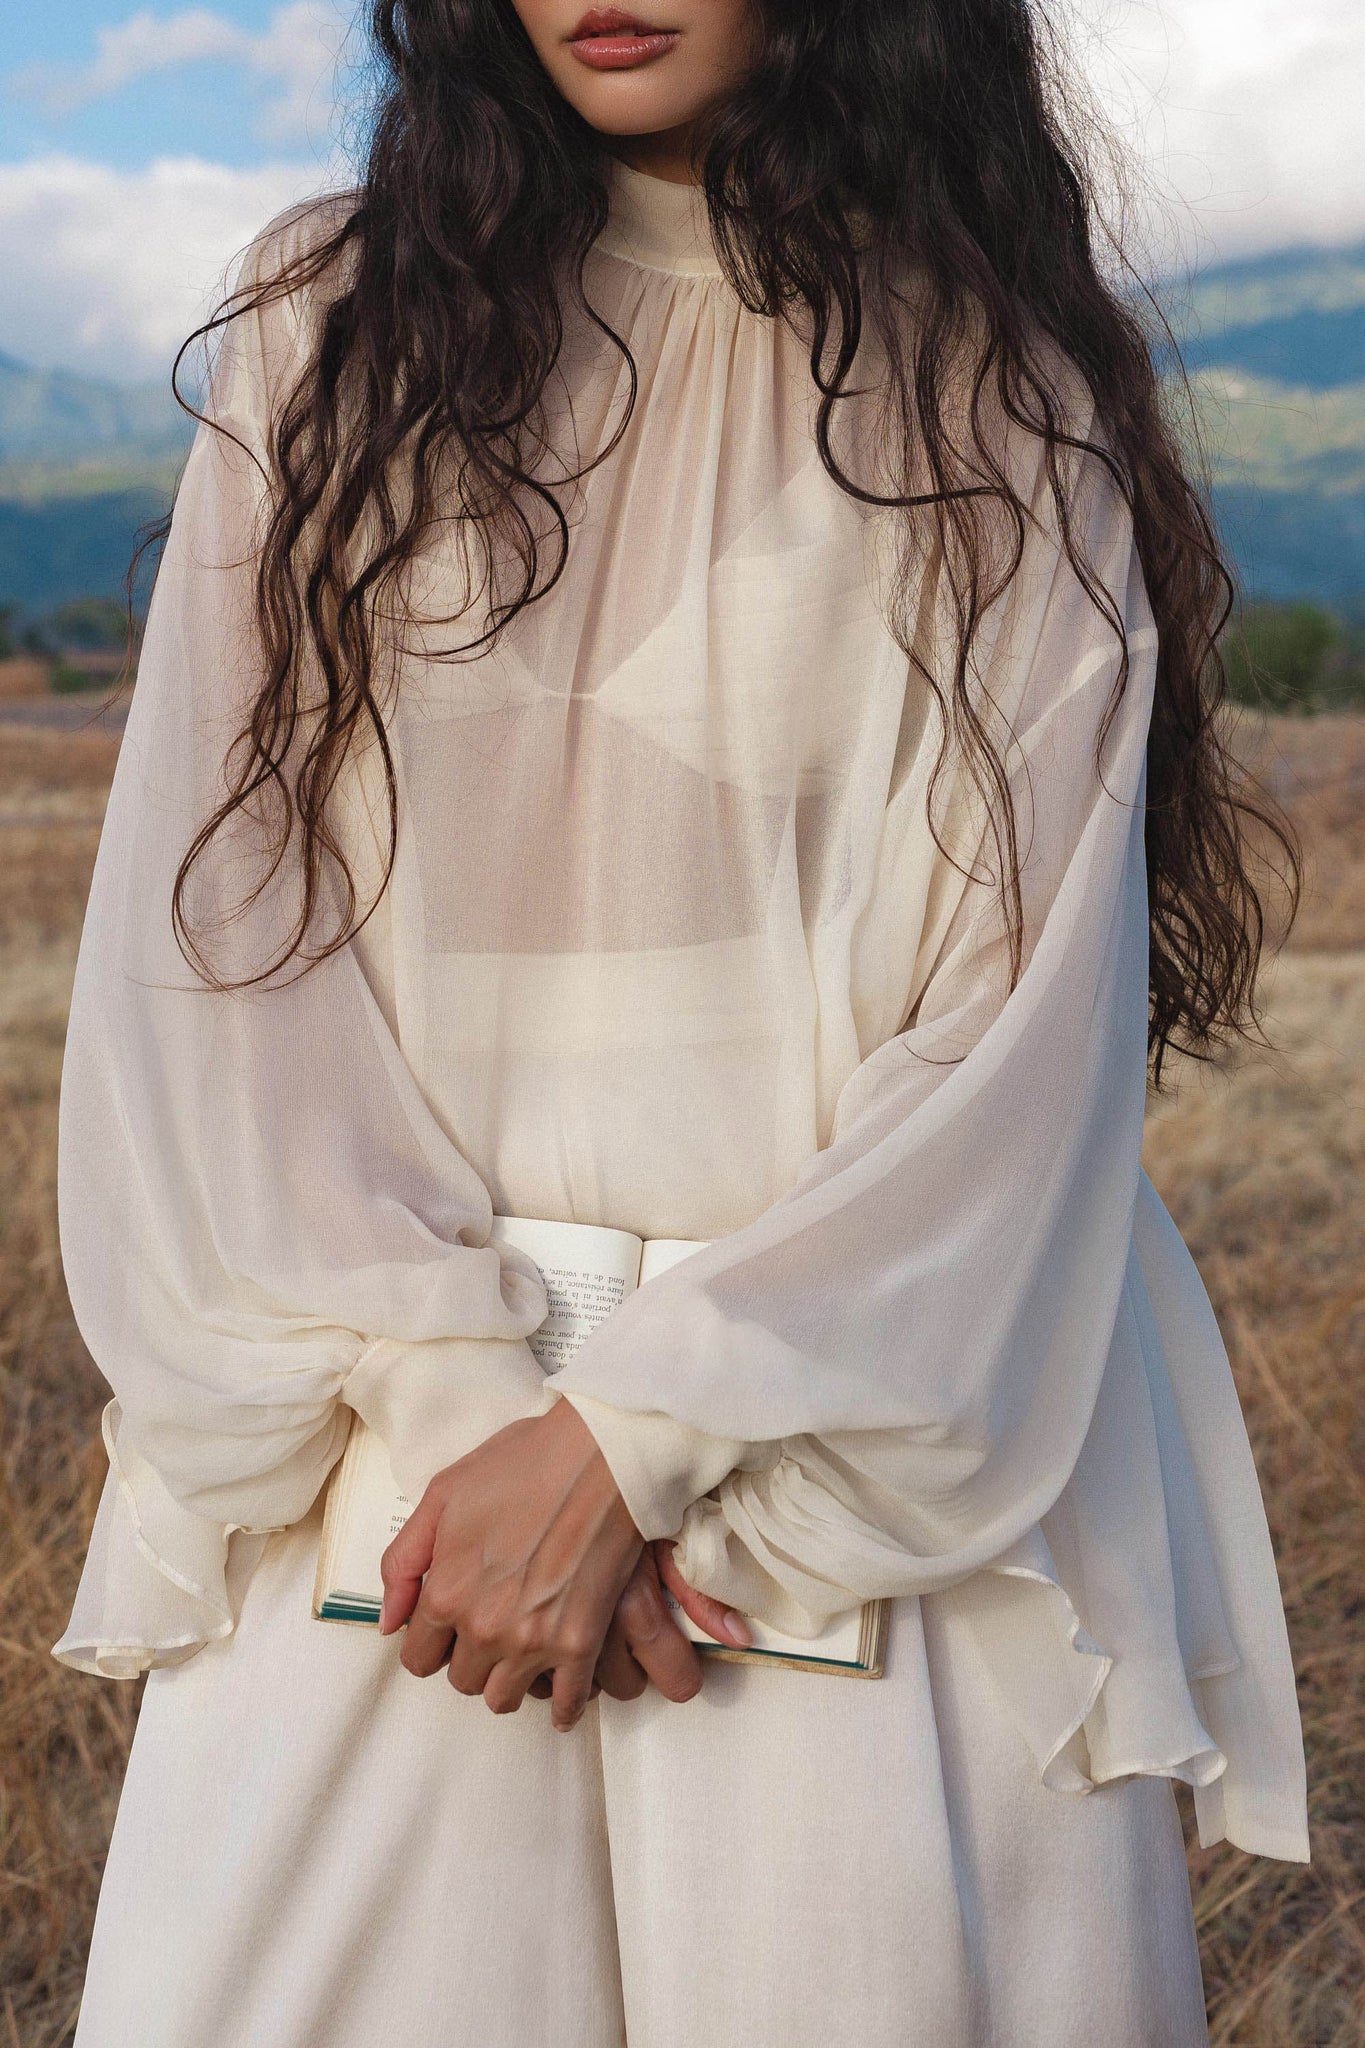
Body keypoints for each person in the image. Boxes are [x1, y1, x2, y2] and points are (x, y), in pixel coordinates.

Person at [53, 3, 1310, 2043]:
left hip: (859, 1473)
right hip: (396, 1475)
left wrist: (639, 1445)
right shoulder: (325, 332)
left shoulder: (993, 398)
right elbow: (217, 956)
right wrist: (492, 1448)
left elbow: (1012, 1045)